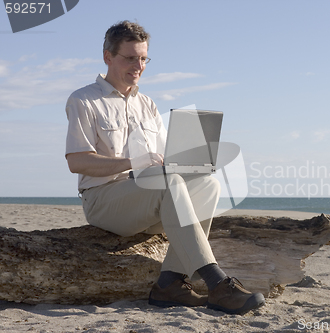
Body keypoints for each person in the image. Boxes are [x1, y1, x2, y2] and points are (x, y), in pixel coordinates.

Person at [64, 20, 265, 315]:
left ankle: (170, 284)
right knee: (166, 182)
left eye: (144, 58)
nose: (139, 65)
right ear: (108, 56)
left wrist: (190, 163)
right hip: (104, 200)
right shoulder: (84, 100)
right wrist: (133, 162)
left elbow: (164, 160)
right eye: (130, 57)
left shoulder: (147, 104)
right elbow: (76, 161)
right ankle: (217, 283)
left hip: (151, 198)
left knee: (209, 184)